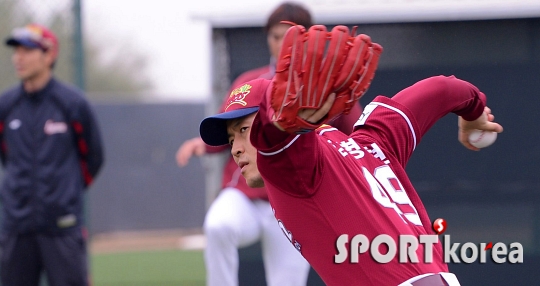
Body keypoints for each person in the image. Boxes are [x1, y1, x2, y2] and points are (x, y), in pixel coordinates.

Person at [198, 75, 503, 285]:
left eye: (243, 130)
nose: (235, 148)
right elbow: (444, 88)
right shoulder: (375, 140)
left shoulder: (296, 166)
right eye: (230, 137)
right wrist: (474, 110)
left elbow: (276, 140)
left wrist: (283, 116)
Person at [176, 2, 362, 285]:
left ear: (308, 39)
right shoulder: (250, 82)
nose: (283, 44)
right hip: (247, 196)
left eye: (291, 37)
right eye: (276, 37)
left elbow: (355, 139)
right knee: (218, 225)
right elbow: (226, 132)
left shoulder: (326, 88)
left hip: (295, 201)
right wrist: (202, 145)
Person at [0, 23, 104, 286]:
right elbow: (7, 158)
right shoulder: (3, 108)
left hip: (62, 228)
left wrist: (66, 190)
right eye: (16, 50)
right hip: (16, 228)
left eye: (27, 50)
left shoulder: (73, 104)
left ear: (49, 55)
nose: (18, 57)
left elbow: (94, 158)